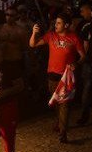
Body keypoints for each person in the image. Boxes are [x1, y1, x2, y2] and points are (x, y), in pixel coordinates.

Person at [29, 14, 85, 143]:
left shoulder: (74, 38)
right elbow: (33, 44)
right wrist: (34, 33)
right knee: (56, 102)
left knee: (64, 104)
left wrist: (76, 64)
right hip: (52, 75)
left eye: (59, 23)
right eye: (56, 23)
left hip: (65, 76)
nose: (56, 25)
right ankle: (60, 123)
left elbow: (83, 56)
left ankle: (63, 132)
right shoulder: (51, 36)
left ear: (66, 25)